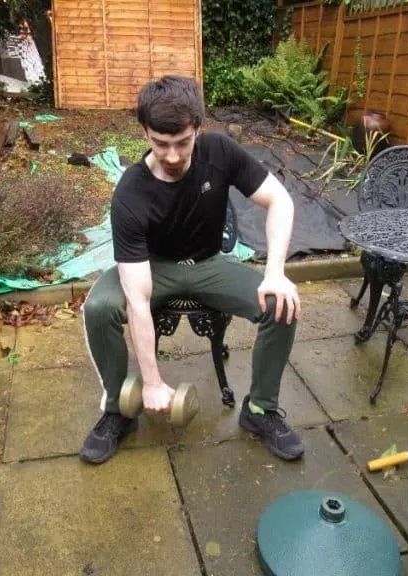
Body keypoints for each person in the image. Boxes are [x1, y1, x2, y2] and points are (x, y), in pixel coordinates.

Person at [79, 76, 303, 465]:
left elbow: (279, 201)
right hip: (154, 268)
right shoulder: (131, 193)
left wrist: (276, 272)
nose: (171, 155)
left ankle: (261, 409)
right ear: (145, 133)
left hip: (209, 264)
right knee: (99, 308)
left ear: (198, 128)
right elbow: (137, 296)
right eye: (160, 143)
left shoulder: (219, 151)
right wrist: (150, 382)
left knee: (280, 305)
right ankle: (118, 409)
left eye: (182, 142)